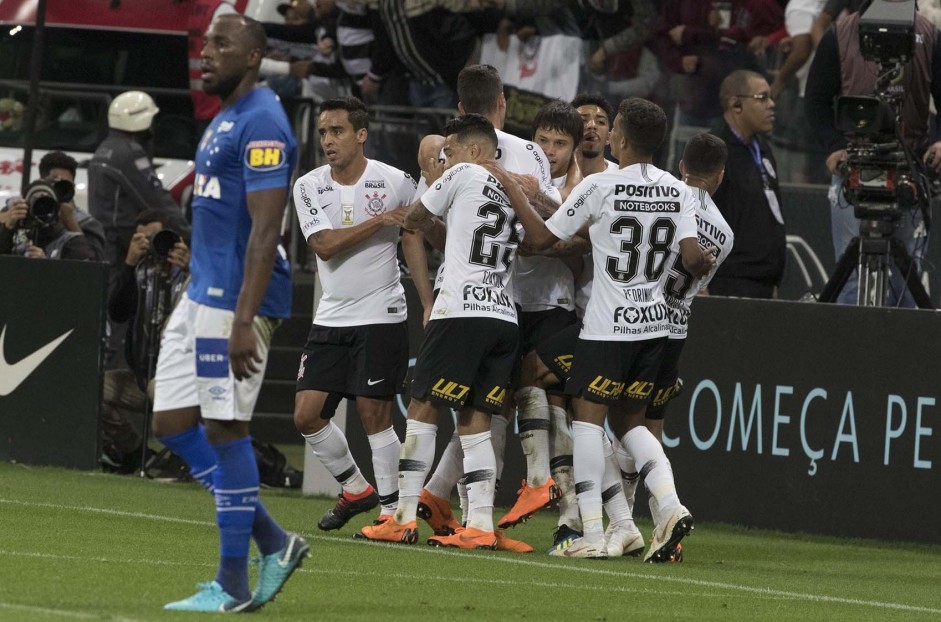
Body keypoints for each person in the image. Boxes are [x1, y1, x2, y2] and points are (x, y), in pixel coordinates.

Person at [490, 97, 713, 559]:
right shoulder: (679, 190)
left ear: (622, 139)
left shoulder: (601, 187)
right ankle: (667, 507)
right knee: (631, 425)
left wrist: (512, 189)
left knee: (587, 423)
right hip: (656, 327)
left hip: (608, 326)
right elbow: (693, 259)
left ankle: (592, 534)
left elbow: (540, 239)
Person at [150, 14, 307, 612]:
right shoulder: (225, 117)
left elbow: (267, 233)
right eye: (206, 42)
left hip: (233, 306)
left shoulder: (265, 120)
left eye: (222, 44)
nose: (206, 53)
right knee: (172, 424)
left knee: (225, 428)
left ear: (254, 56)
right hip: (200, 297)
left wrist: (243, 320)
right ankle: (273, 540)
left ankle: (232, 584)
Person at [359, 113, 522, 550]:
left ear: (471, 151)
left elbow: (413, 219)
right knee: (476, 421)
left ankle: (404, 516)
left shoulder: (462, 172)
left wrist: (432, 181)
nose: (444, 159)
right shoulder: (513, 188)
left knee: (423, 408)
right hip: (504, 314)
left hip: (462, 310)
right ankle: (482, 525)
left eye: (448, 152)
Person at [291, 96, 419, 531]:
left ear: (361, 134)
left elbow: (417, 233)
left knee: (374, 415)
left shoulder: (397, 180)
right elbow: (323, 245)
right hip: (331, 316)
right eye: (323, 132)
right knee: (307, 415)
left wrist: (428, 296)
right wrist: (382, 220)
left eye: (337, 131)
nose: (328, 140)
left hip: (382, 313)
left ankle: (392, 514)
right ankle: (356, 488)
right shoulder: (308, 185)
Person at [611, 132, 734, 562]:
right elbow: (697, 285)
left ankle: (635, 519)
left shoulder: (665, 194)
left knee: (617, 419)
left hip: (637, 320)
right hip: (676, 331)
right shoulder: (724, 231)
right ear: (720, 177)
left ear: (680, 164)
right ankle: (656, 531)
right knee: (649, 428)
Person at [805, 1, 941, 306]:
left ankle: (900, 351)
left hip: (909, 166)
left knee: (906, 281)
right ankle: (851, 350)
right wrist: (833, 147)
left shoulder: (930, 35)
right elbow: (815, 100)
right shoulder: (839, 35)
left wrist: (939, 140)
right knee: (852, 279)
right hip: (853, 166)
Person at [101, 209, 190, 474]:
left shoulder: (192, 274)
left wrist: (191, 269)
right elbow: (117, 312)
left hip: (182, 379)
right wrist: (129, 265)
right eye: (144, 238)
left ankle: (184, 459)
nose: (153, 244)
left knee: (162, 393)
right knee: (95, 389)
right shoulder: (139, 272)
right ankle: (135, 453)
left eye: (157, 237)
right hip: (141, 376)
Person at [88, 90, 179, 284]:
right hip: (122, 247)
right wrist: (189, 235)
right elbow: (157, 200)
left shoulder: (104, 149)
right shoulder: (130, 154)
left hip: (104, 244)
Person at [709, 69, 785, 298]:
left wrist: (773, 279)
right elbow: (692, 216)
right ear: (736, 105)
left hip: (763, 282)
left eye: (771, 97)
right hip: (728, 284)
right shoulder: (712, 149)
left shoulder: (763, 149)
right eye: (763, 98)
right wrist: (699, 283)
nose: (771, 104)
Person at [0, 179, 94, 260]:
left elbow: (82, 277)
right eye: (35, 201)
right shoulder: (16, 238)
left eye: (47, 202)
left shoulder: (73, 242)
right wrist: (8, 228)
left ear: (57, 209)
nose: (42, 207)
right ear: (26, 207)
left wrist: (46, 266)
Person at [38, 151, 106, 262]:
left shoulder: (87, 223)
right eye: (54, 183)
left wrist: (70, 221)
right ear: (41, 182)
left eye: (65, 185)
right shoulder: (29, 213)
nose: (58, 189)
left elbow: (95, 267)